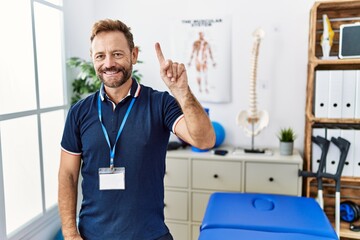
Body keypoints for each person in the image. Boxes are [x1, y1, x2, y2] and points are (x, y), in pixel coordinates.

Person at [58, 19, 215, 240]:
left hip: (150, 235)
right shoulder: (79, 112)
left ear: (134, 55)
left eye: (117, 54)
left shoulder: (160, 104)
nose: (109, 63)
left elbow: (205, 140)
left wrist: (182, 91)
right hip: (92, 235)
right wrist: (70, 233)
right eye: (100, 56)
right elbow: (68, 174)